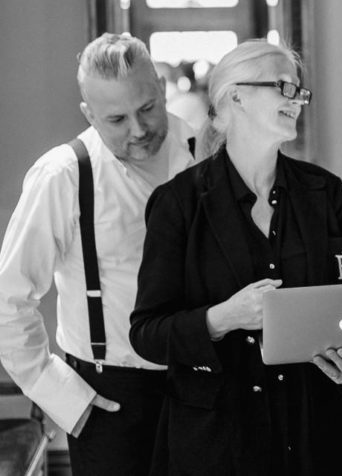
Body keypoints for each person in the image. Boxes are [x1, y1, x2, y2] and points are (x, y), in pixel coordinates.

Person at [129, 40, 342, 476]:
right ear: (236, 95)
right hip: (220, 445)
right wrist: (223, 317)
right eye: (284, 88)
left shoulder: (324, 192)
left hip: (317, 438)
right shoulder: (177, 204)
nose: (298, 100)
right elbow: (147, 333)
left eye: (299, 92)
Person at [0, 33, 196, 475]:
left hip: (205, 384)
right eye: (117, 119)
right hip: (110, 397)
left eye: (146, 108)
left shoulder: (206, 152)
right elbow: (7, 299)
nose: (139, 130)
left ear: (161, 89)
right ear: (89, 114)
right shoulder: (64, 175)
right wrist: (63, 398)